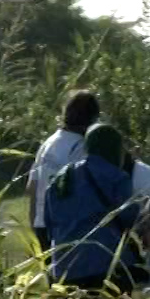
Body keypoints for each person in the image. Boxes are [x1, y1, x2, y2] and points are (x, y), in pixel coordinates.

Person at [42, 122, 144, 299]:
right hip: (106, 262)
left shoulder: (61, 177)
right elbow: (129, 217)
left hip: (65, 264)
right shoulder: (116, 177)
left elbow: (49, 222)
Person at [30, 90, 98, 256]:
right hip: (66, 226)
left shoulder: (48, 143)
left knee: (52, 278)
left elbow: (31, 186)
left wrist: (34, 221)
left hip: (42, 223)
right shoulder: (81, 147)